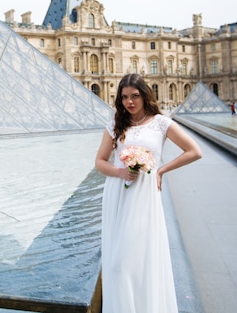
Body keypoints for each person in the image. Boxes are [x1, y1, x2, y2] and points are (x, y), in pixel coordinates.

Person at [95, 74, 202, 313]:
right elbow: (100, 162)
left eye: (134, 96)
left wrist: (160, 170)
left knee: (137, 260)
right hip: (119, 193)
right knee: (117, 263)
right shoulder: (115, 125)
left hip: (145, 196)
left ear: (144, 95)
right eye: (124, 97)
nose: (129, 102)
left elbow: (194, 151)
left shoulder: (160, 123)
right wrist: (119, 172)